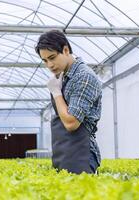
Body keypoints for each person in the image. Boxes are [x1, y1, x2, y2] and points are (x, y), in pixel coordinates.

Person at [35, 30, 102, 174]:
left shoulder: (83, 77)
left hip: (81, 154)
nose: (50, 65)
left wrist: (56, 92)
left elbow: (71, 123)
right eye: (45, 61)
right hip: (65, 152)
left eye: (52, 57)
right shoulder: (65, 77)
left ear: (65, 50)